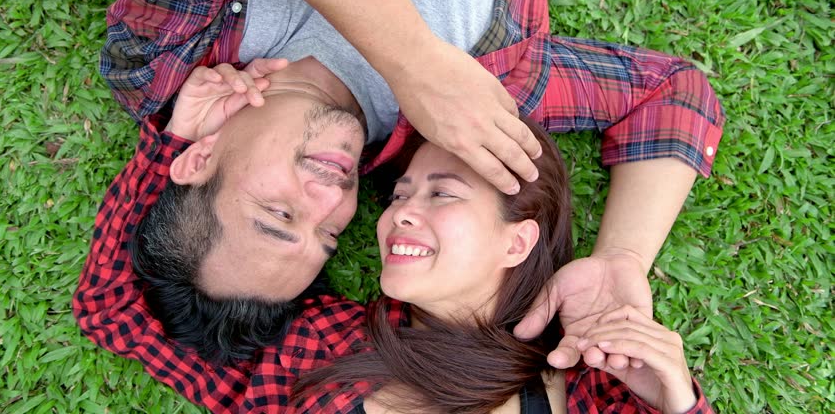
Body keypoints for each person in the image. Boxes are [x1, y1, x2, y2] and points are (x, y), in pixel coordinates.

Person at [61, 0, 724, 389]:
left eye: (276, 213)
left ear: (197, 159)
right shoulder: (486, 109)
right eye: (327, 235)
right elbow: (675, 96)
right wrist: (623, 259)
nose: (331, 199)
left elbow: (109, 309)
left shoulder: (165, 63)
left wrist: (414, 60)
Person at [285, 120, 714, 413]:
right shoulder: (317, 337)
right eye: (399, 196)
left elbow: (677, 96)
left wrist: (624, 257)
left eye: (443, 194)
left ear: (517, 242)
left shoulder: (593, 377)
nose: (401, 214)